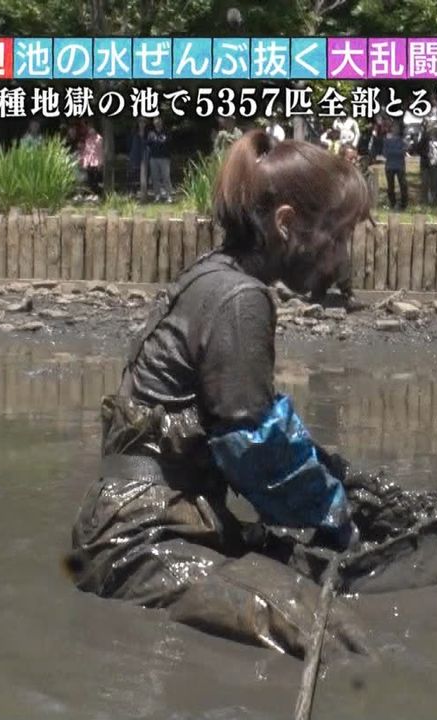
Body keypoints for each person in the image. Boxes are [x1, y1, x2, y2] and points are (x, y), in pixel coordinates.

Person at [68, 130, 371, 656]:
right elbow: (257, 451)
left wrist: (336, 481)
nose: (342, 257)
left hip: (131, 526)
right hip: (141, 544)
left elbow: (256, 434)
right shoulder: (241, 300)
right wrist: (341, 520)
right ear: (286, 224)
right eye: (338, 237)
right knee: (326, 632)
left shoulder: (211, 275)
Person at [145, 117, 173, 203]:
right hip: (153, 158)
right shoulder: (151, 133)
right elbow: (148, 145)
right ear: (154, 123)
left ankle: (168, 195)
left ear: (161, 123)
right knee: (155, 177)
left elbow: (169, 143)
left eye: (159, 122)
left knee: (166, 177)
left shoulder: (166, 132)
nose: (157, 124)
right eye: (156, 122)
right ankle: (157, 195)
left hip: (164, 158)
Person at [382, 122, 407, 210]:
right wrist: (397, 151)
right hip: (389, 166)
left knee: (403, 185)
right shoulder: (387, 140)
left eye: (397, 127)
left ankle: (404, 204)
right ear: (391, 128)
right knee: (390, 186)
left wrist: (393, 151)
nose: (395, 129)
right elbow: (385, 153)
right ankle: (392, 203)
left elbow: (403, 152)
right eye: (394, 127)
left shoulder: (402, 140)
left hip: (400, 166)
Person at [80, 124, 104, 197]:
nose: (90, 131)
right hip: (89, 162)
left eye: (91, 129)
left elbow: (100, 152)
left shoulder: (99, 139)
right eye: (89, 129)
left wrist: (100, 162)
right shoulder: (88, 140)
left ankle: (97, 194)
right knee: (90, 179)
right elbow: (86, 152)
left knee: (97, 179)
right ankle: (92, 193)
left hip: (96, 162)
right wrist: (84, 163)